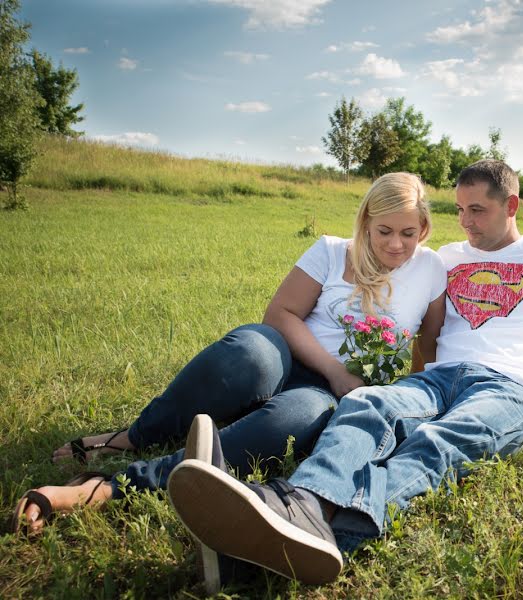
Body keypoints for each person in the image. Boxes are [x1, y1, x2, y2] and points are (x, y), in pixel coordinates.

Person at [165, 159, 523, 585]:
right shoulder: (446, 258)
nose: (465, 222)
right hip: (441, 377)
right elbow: (428, 337)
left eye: (477, 210)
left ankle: (313, 535)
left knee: (440, 440)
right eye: (459, 210)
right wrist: (413, 384)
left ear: (511, 204)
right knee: (366, 403)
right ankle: (300, 504)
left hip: (512, 385)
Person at [10, 172, 447, 537]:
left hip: (327, 393)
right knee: (249, 354)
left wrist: (395, 404)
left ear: (423, 229)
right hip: (288, 355)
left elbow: (425, 350)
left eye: (408, 233)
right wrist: (333, 369)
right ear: (366, 222)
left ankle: (114, 486)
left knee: (289, 423)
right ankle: (134, 435)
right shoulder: (333, 251)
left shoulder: (430, 271)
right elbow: (281, 313)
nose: (394, 245)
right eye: (384, 231)